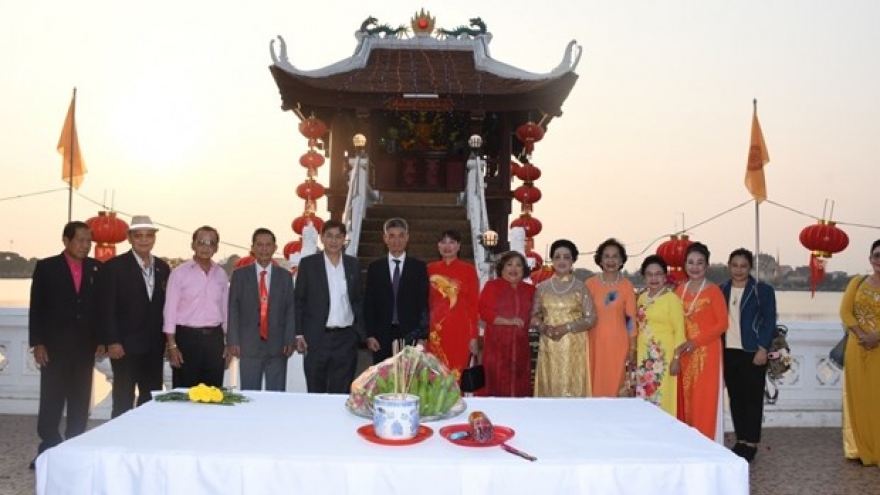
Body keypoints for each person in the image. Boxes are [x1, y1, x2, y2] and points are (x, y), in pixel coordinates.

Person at [29, 221, 105, 465]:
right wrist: (38, 343)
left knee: (80, 399)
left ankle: (74, 445)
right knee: (52, 398)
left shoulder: (96, 268)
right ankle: (49, 447)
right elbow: (37, 307)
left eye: (88, 241)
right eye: (80, 240)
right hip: (53, 347)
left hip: (84, 347)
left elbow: (101, 310)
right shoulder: (47, 267)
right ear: (66, 240)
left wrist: (102, 339)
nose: (85, 246)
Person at [101, 215, 170, 417]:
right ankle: (118, 440)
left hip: (154, 346)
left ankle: (144, 438)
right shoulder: (114, 267)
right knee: (123, 397)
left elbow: (165, 308)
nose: (144, 239)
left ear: (154, 238)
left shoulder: (163, 267)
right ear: (129, 238)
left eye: (149, 235)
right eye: (138, 235)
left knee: (150, 397)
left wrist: (167, 341)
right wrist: (112, 341)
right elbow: (107, 308)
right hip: (125, 347)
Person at [720, 248, 777, 462]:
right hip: (728, 351)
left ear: (750, 267)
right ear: (729, 266)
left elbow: (769, 320)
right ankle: (741, 439)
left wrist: (763, 347)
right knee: (735, 398)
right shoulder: (722, 290)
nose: (738, 270)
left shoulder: (762, 291)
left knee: (752, 398)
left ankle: (751, 442)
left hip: (753, 351)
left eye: (743, 266)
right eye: (734, 265)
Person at [294, 220, 364, 393]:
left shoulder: (352, 264)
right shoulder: (309, 265)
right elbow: (299, 300)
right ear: (322, 238)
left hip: (346, 338)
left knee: (341, 392)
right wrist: (298, 333)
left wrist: (360, 332)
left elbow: (358, 300)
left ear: (344, 239)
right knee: (315, 389)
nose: (334, 241)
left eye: (338, 237)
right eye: (329, 236)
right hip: (317, 338)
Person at [227, 228, 296, 391]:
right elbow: (233, 309)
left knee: (277, 394)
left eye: (268, 245)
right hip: (248, 344)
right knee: (250, 394)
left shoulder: (285, 276)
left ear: (274, 247)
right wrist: (233, 340)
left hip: (278, 345)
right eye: (259, 245)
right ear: (252, 248)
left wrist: (289, 339)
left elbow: (290, 309)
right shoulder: (239, 275)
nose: (264, 249)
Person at [163, 226, 229, 388]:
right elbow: (169, 311)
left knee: (213, 394)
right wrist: (172, 345)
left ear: (216, 248)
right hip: (187, 339)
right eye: (201, 242)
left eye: (211, 243)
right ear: (193, 245)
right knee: (185, 393)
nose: (206, 247)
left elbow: (225, 310)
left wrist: (228, 342)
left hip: (215, 340)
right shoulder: (179, 273)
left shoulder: (221, 274)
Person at [674, 242, 728, 441]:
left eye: (699, 263)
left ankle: (706, 443)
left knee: (704, 399)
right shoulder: (679, 291)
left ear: (707, 266)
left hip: (707, 354)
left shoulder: (714, 292)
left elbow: (722, 324)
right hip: (684, 354)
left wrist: (695, 342)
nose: (694, 267)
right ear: (684, 265)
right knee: (685, 399)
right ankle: (687, 443)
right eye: (690, 262)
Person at [530, 239, 597, 397]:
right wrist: (543, 327)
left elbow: (591, 318)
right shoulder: (543, 287)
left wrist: (566, 328)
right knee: (550, 387)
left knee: (571, 388)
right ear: (552, 260)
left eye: (566, 257)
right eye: (557, 257)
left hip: (573, 345)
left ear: (573, 260)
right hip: (549, 344)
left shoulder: (580, 287)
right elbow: (533, 316)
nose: (561, 261)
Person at [364, 218, 429, 364]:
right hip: (381, 336)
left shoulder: (418, 267)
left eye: (400, 235)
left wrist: (422, 336)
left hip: (410, 334)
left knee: (408, 380)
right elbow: (369, 303)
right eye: (391, 236)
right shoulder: (375, 268)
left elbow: (423, 304)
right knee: (382, 379)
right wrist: (370, 334)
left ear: (407, 238)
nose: (396, 240)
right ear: (385, 238)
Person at [839, 239, 880, 467]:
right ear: (870, 259)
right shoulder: (857, 282)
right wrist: (862, 334)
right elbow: (845, 312)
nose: (879, 260)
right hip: (857, 347)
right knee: (859, 397)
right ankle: (859, 447)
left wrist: (877, 336)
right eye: (876, 255)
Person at [479, 251, 536, 397]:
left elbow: (536, 314)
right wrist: (509, 322)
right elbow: (484, 312)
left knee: (520, 387)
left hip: (521, 347)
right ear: (502, 268)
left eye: (518, 265)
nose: (514, 269)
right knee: (495, 385)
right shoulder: (492, 286)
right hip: (496, 347)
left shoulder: (531, 290)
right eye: (509, 265)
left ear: (524, 270)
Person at [635, 255, 686, 416]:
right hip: (644, 356)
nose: (654, 278)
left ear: (665, 276)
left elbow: (679, 331)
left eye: (658, 274)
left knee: (663, 397)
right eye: (649, 274)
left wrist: (676, 359)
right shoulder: (641, 298)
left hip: (663, 358)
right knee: (644, 396)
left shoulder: (672, 299)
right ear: (644, 277)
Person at [585, 238, 637, 397]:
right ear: (600, 259)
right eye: (607, 256)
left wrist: (632, 347)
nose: (611, 260)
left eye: (615, 256)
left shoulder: (627, 285)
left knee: (617, 387)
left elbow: (630, 319)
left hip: (618, 344)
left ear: (621, 260)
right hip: (593, 342)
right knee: (594, 386)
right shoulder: (589, 284)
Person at [427, 229, 480, 376]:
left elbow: (473, 306)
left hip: (460, 330)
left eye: (452, 242)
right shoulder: (429, 269)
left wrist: (473, 336)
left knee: (457, 372)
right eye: (443, 242)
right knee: (434, 373)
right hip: (434, 331)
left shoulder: (469, 271)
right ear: (438, 246)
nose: (447, 246)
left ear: (458, 246)